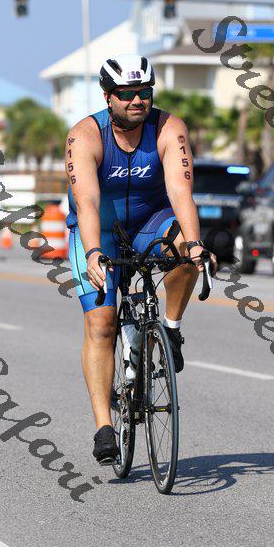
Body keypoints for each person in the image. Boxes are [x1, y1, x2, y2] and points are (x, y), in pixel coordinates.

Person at [65, 54, 217, 464]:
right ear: (108, 97)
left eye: (144, 92)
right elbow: (88, 201)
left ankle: (171, 328)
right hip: (99, 230)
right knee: (101, 323)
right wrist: (94, 252)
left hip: (152, 221)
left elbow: (180, 192)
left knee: (184, 250)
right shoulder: (85, 136)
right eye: (127, 94)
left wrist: (195, 244)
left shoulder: (169, 129)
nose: (137, 100)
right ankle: (104, 427)